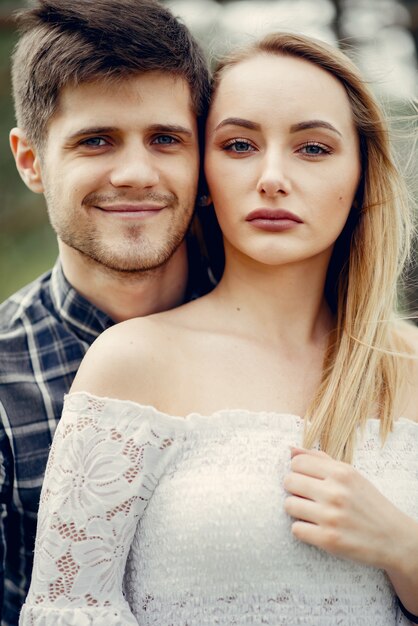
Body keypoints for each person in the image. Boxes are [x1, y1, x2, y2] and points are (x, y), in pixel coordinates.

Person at [20, 32, 418, 625]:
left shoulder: (410, 364)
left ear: (361, 172)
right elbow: (67, 610)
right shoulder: (134, 360)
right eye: (238, 145)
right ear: (204, 176)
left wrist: (402, 547)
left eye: (312, 148)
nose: (273, 177)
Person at [0, 0, 213, 622]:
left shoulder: (285, 335)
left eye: (166, 139)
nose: (134, 173)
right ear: (31, 160)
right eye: (96, 140)